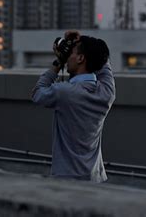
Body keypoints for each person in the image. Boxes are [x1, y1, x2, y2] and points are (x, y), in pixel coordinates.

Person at [31, 30, 115, 182]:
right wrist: (81, 42)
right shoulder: (107, 92)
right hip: (96, 177)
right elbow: (103, 62)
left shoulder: (65, 92)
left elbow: (37, 93)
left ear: (81, 58)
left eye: (71, 54)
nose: (67, 57)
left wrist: (58, 63)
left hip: (67, 177)